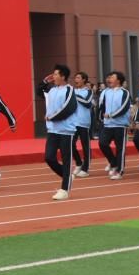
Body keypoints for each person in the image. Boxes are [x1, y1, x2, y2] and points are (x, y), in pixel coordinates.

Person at [41, 65, 79, 200]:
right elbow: (40, 91)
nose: (54, 76)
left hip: (66, 131)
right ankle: (67, 176)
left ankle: (65, 190)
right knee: (49, 157)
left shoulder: (69, 90)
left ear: (63, 76)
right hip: (52, 130)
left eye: (56, 74)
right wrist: (45, 81)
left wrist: (52, 117)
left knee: (66, 160)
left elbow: (69, 108)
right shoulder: (52, 90)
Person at [98, 71, 134, 179]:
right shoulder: (106, 92)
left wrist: (111, 115)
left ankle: (119, 171)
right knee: (102, 143)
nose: (109, 79)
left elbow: (124, 107)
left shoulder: (125, 92)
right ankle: (113, 163)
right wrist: (102, 117)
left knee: (120, 149)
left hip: (120, 125)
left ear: (118, 80)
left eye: (112, 77)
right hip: (108, 124)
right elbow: (102, 106)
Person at [70, 71, 97, 178]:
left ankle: (85, 169)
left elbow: (87, 103)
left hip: (84, 122)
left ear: (84, 80)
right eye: (75, 78)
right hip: (72, 122)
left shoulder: (88, 91)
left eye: (78, 78)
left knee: (85, 146)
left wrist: (74, 95)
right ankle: (78, 163)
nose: (76, 80)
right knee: (70, 144)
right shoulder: (72, 91)